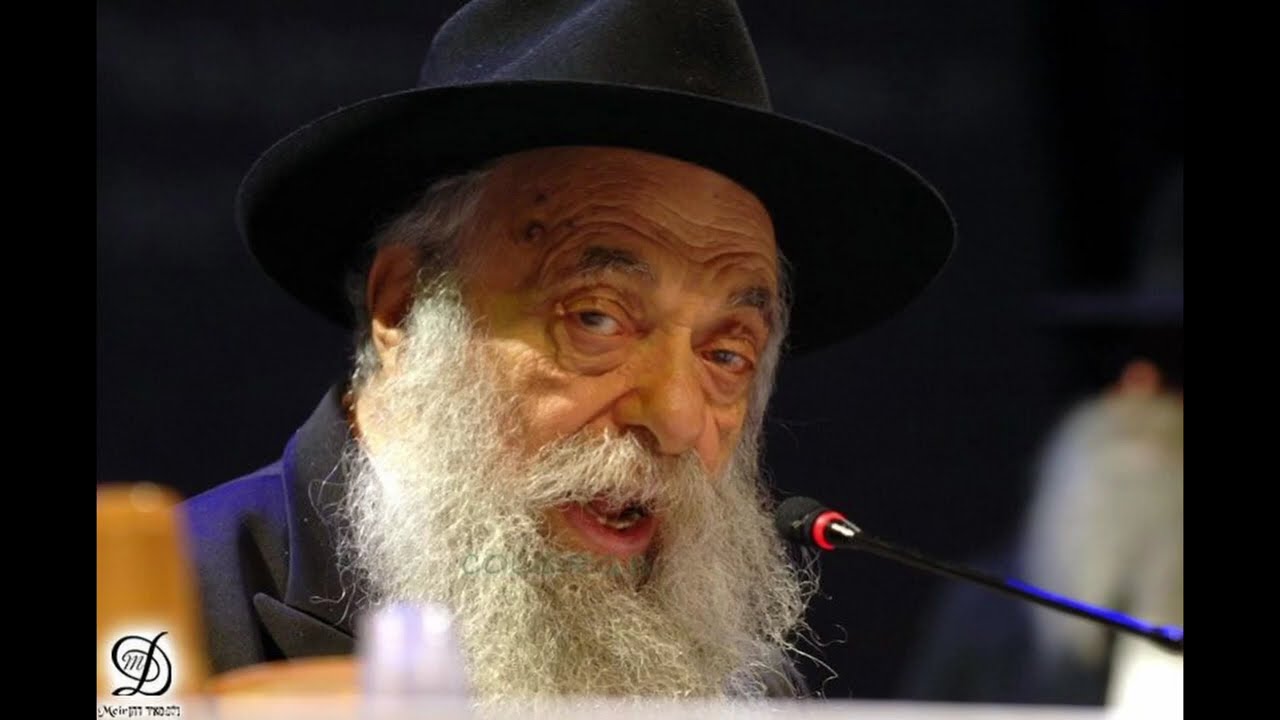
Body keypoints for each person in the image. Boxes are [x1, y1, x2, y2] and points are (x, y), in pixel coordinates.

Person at [182, 0, 955, 702]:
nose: (677, 420)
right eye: (596, 319)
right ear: (405, 307)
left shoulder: (744, 690)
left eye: (726, 356)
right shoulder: (170, 610)